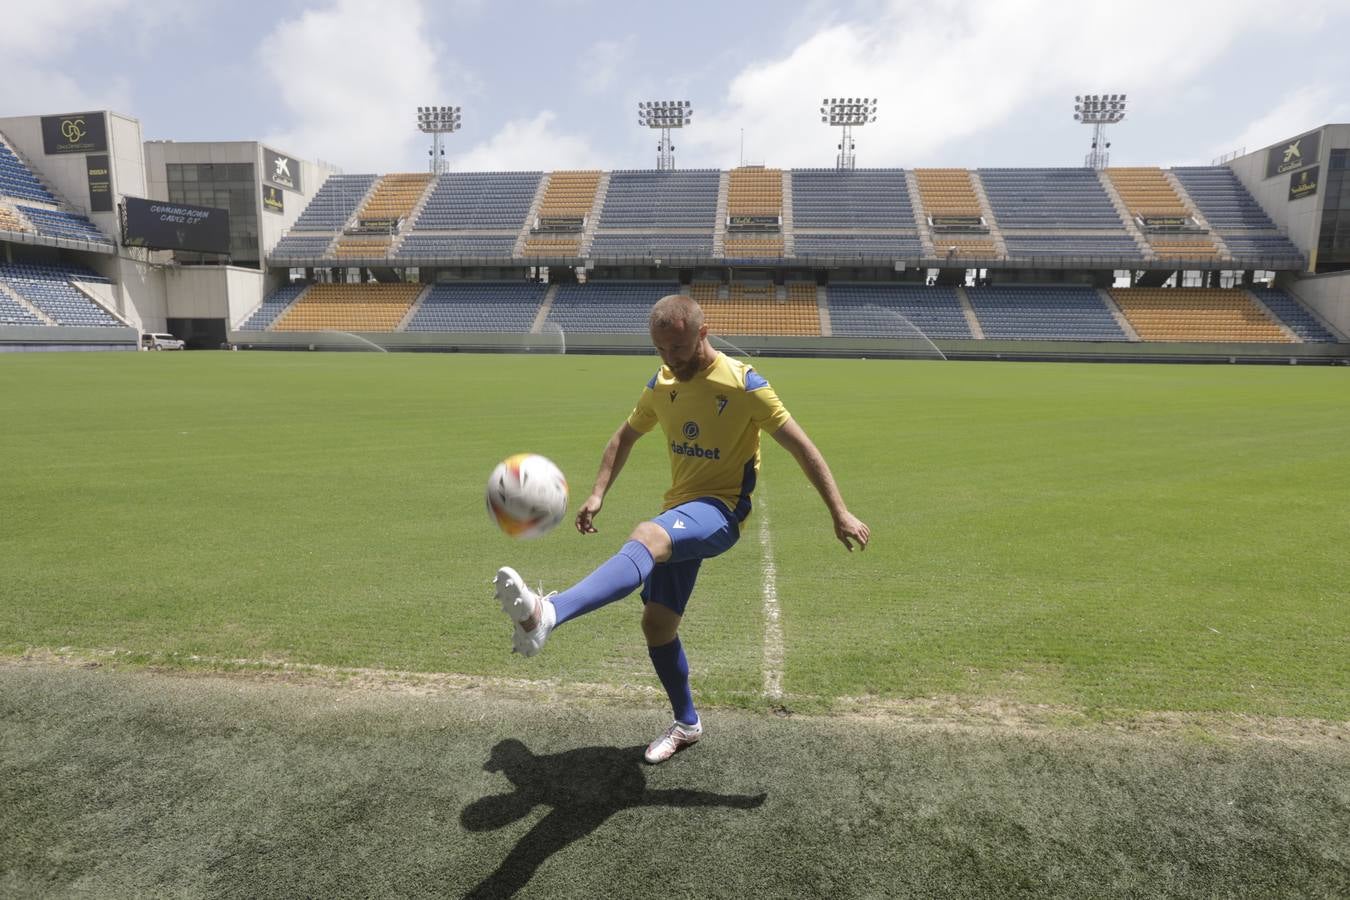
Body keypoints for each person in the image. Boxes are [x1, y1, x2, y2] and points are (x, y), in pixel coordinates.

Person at [495, 294, 869, 764]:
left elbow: (802, 447)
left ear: (702, 333)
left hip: (723, 511)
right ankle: (687, 723)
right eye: (660, 350)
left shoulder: (744, 384)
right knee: (657, 625)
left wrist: (839, 511)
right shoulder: (661, 384)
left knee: (648, 536)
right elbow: (623, 436)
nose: (670, 359)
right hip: (682, 508)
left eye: (678, 348)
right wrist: (597, 494)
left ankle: (547, 614)